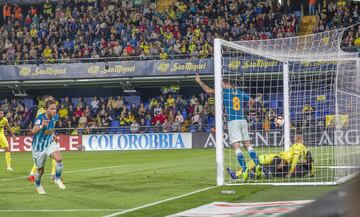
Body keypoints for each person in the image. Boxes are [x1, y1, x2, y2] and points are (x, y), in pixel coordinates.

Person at [195, 74, 259, 180]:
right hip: (243, 120)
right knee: (248, 145)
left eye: (221, 83)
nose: (220, 85)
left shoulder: (224, 92)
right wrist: (249, 106)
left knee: (236, 147)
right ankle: (257, 166)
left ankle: (245, 170)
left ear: (224, 83)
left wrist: (199, 81)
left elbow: (208, 90)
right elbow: (252, 100)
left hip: (233, 121)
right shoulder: (239, 92)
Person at [31, 99, 65, 194]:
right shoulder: (40, 118)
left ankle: (57, 178)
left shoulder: (55, 117)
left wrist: (53, 135)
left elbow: (50, 128)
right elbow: (33, 131)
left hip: (49, 143)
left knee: (58, 159)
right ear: (46, 109)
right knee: (40, 170)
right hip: (38, 147)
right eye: (52, 109)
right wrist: (42, 125)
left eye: (55, 108)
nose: (54, 111)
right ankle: (37, 184)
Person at [27, 96, 58, 182]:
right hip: (42, 135)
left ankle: (51, 174)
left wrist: (53, 134)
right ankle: (51, 174)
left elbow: (51, 124)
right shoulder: (42, 112)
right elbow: (38, 124)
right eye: (50, 100)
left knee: (54, 155)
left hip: (47, 134)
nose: (52, 100)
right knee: (42, 155)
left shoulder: (52, 113)